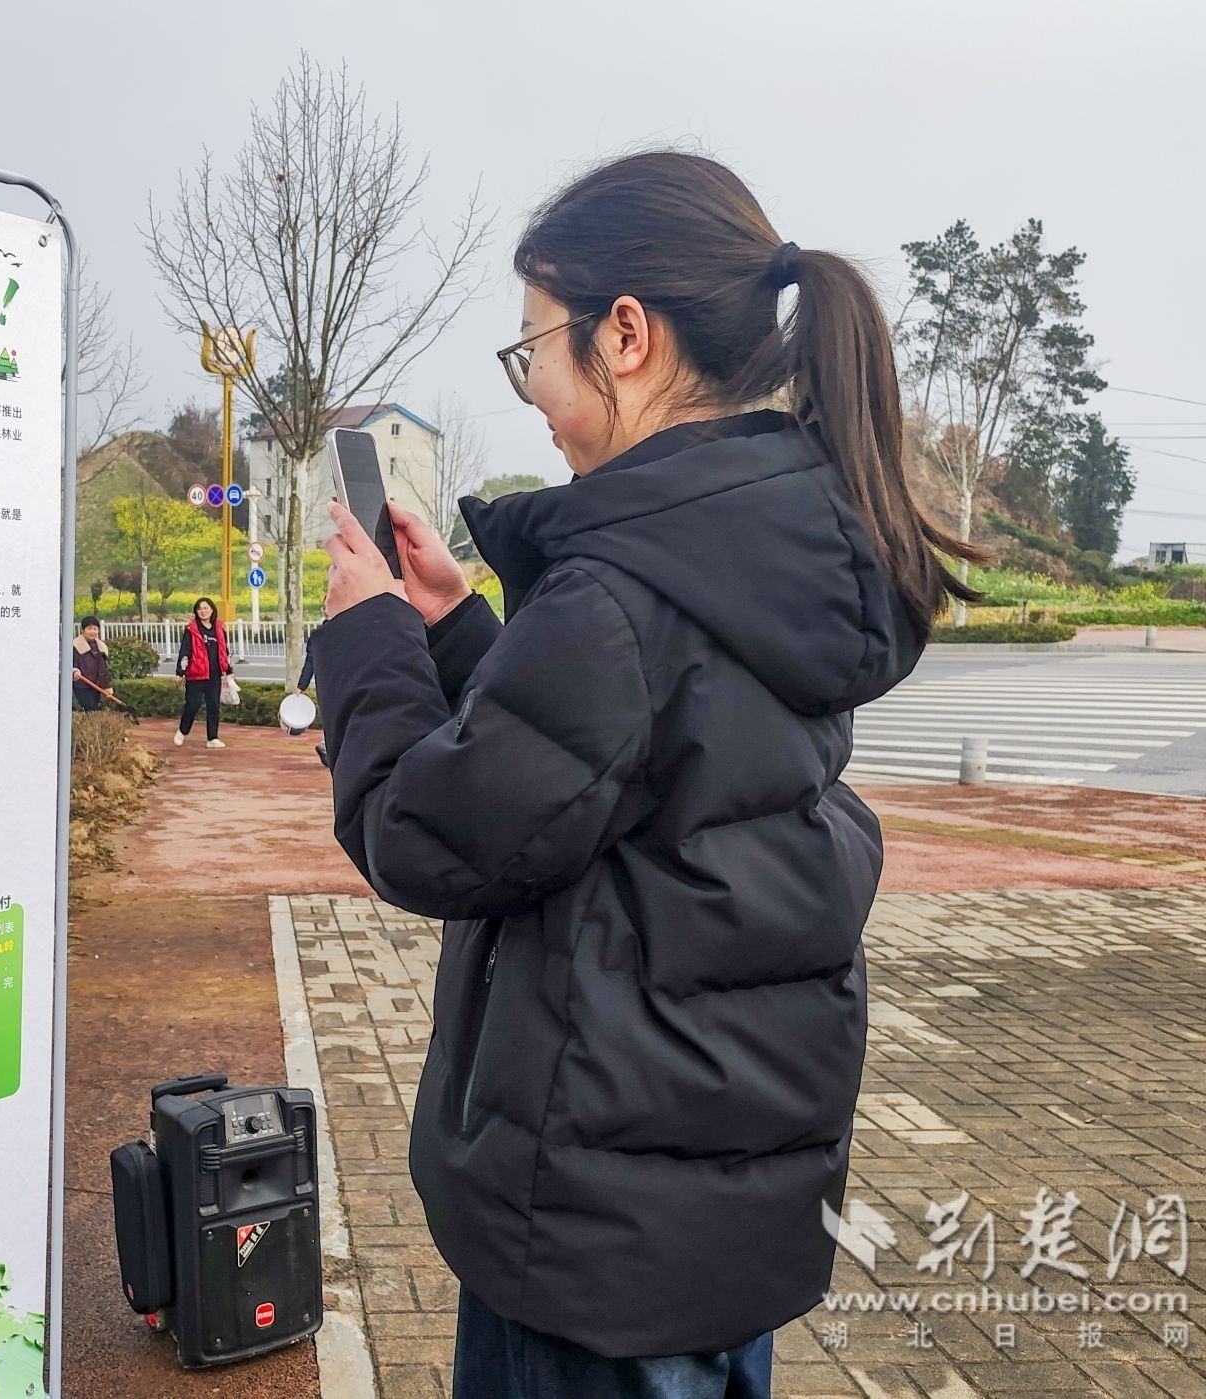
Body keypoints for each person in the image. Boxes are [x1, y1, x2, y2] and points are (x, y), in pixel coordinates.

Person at [310, 151, 984, 1399]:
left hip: (592, 1242)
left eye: (532, 351)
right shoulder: (771, 545)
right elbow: (627, 771)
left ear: (625, 335)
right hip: (724, 1215)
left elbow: (430, 835)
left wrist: (366, 641)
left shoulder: (620, 592)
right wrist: (457, 632)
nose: (532, 392)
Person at [173, 596, 231, 748]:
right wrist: (180, 672)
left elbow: (224, 651)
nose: (203, 611)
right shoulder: (191, 630)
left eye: (205, 608)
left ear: (212, 610)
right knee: (193, 705)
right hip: (196, 675)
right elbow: (185, 651)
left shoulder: (219, 628)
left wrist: (228, 670)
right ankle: (182, 731)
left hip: (214, 674)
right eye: (199, 609)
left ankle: (212, 738)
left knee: (214, 706)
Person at [70, 616, 113, 711]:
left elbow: (103, 670)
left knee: (93, 711)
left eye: (95, 629)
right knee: (90, 709)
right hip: (81, 686)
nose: (92, 631)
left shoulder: (101, 648)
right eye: (89, 629)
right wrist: (74, 671)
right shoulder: (75, 646)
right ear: (82, 630)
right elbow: (71, 664)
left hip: (96, 687)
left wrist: (106, 686)